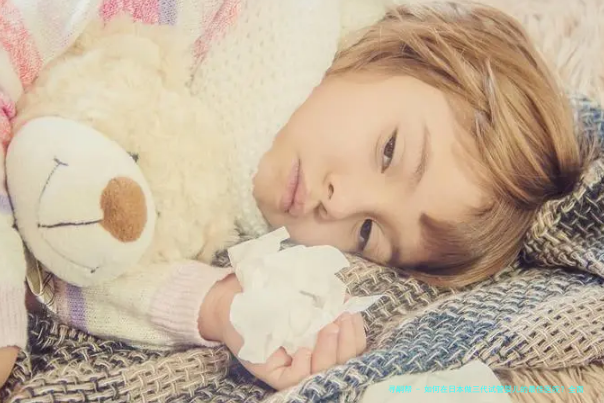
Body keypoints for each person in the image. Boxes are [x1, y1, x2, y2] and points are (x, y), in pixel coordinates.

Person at [0, 0, 592, 392]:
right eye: (389, 152)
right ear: (392, 50)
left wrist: (224, 309)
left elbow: (72, 260)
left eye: (367, 232)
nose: (340, 203)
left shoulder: (214, 214)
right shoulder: (238, 18)